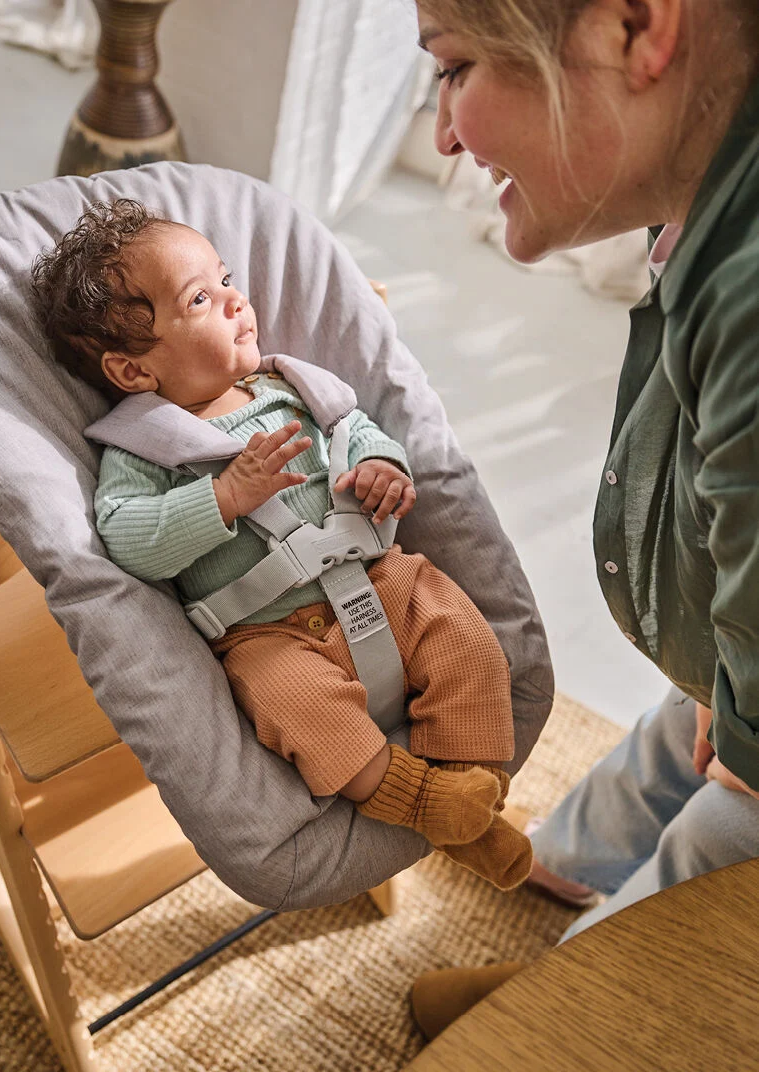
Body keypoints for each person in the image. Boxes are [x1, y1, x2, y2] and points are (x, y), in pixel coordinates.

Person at [408, 0, 759, 1040]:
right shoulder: (705, 192)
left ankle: (571, 1009)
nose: (441, 132)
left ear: (633, 27)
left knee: (729, 817)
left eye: (454, 66)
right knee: (680, 723)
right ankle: (570, 868)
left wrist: (743, 728)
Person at [31, 199, 533, 890]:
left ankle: (468, 787)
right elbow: (128, 541)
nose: (237, 301)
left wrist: (383, 467)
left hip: (384, 580)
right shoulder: (141, 446)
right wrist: (222, 498)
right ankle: (423, 801)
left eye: (227, 278)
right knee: (300, 714)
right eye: (202, 297)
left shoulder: (286, 384)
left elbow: (354, 429)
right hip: (270, 632)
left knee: (468, 642)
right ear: (134, 372)